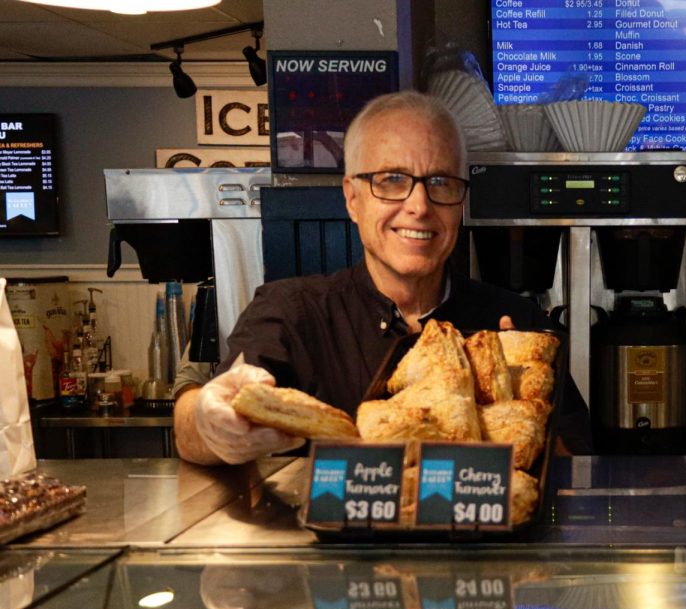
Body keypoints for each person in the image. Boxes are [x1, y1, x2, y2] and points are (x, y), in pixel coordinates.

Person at [175, 91, 584, 465]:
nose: (419, 206)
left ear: (461, 201)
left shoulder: (518, 325)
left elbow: (578, 466)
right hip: (325, 543)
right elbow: (196, 427)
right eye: (392, 180)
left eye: (440, 182)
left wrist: (519, 403)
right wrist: (207, 419)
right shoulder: (291, 314)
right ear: (353, 198)